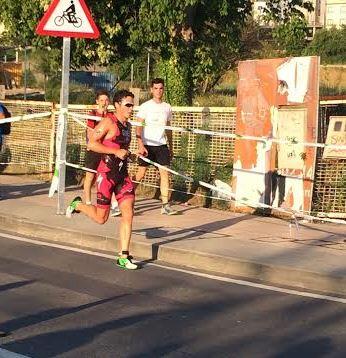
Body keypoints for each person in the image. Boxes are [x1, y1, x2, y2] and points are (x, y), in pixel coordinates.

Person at [66, 90, 140, 270]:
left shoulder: (128, 126)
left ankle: (124, 255)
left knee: (128, 212)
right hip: (106, 175)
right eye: (128, 105)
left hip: (122, 176)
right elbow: (91, 143)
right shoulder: (108, 122)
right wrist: (115, 152)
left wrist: (131, 155)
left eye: (132, 105)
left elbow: (121, 149)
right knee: (101, 218)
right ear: (117, 106)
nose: (131, 108)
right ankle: (78, 205)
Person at [134, 78, 177, 215]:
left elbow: (168, 128)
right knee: (141, 173)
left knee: (165, 174)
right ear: (151, 90)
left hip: (161, 145)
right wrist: (140, 144)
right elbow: (138, 127)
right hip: (147, 145)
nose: (159, 91)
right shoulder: (145, 106)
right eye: (156, 88)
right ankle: (124, 199)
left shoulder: (167, 107)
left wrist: (170, 146)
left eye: (161, 88)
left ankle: (165, 205)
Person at [83, 90, 120, 216]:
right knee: (90, 176)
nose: (104, 103)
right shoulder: (92, 115)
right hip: (94, 150)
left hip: (106, 151)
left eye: (106, 100)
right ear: (97, 101)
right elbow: (90, 134)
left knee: (110, 177)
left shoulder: (110, 116)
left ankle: (114, 205)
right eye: (102, 100)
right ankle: (87, 203)